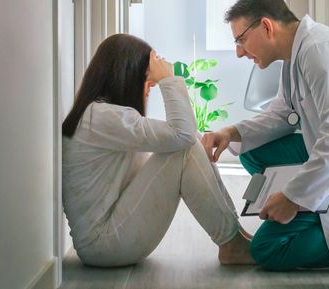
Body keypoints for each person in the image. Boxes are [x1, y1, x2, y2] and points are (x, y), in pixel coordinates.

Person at [61, 34, 255, 267]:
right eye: (148, 81)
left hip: (106, 236)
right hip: (103, 244)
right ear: (126, 77)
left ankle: (236, 235)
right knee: (187, 144)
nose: (149, 89)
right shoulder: (100, 117)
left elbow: (180, 134)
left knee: (189, 140)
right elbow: (181, 135)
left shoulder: (101, 116)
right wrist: (168, 79)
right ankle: (232, 242)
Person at [201, 0, 329, 271]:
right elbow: (282, 115)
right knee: (249, 150)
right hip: (323, 156)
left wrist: (292, 198)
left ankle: (328, 226)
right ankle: (308, 204)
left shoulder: (319, 51)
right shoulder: (295, 56)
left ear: (266, 26)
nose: (239, 53)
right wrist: (230, 132)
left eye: (241, 40)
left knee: (265, 249)